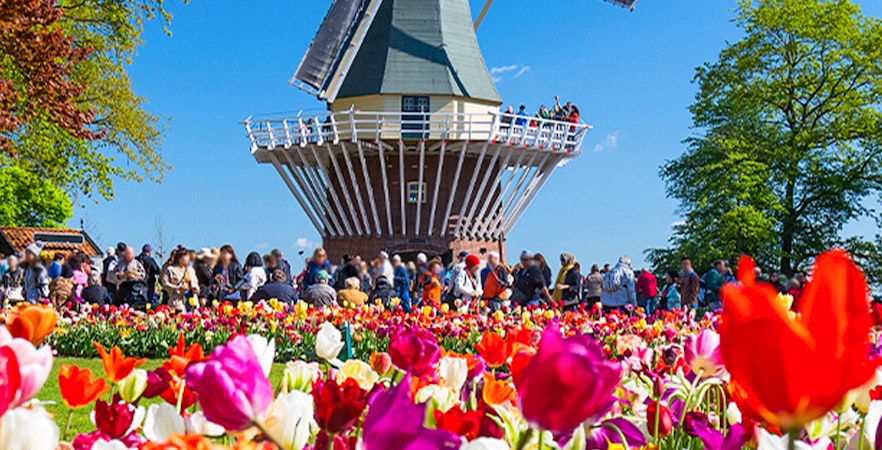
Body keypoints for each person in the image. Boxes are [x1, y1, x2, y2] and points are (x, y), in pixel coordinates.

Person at [161, 247, 199, 313]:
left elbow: (196, 282)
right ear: (180, 258)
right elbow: (164, 283)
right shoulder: (171, 269)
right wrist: (177, 288)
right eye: (186, 256)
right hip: (177, 300)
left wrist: (195, 288)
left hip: (191, 299)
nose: (188, 259)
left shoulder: (191, 270)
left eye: (189, 257)